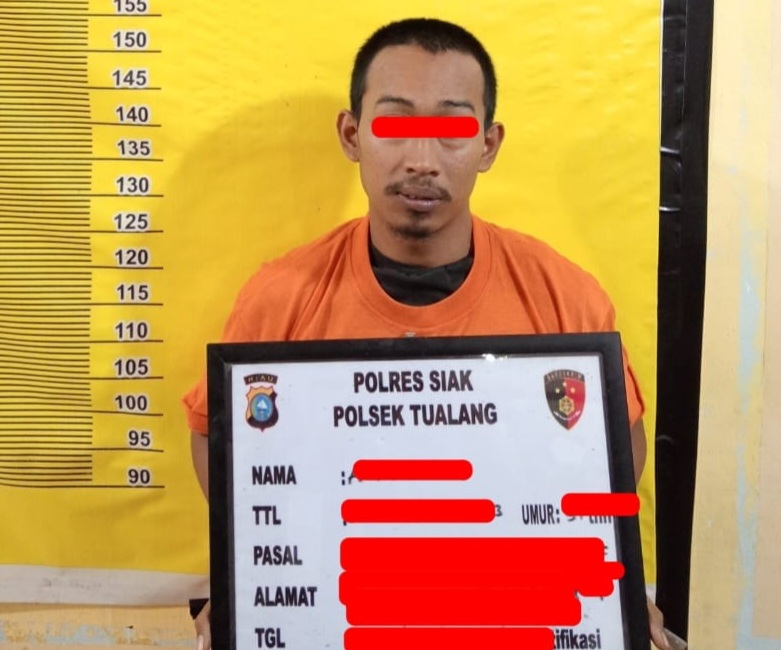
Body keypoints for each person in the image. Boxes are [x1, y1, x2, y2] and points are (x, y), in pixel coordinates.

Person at [183, 17, 669, 650]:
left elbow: (617, 443)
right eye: (395, 125)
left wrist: (602, 584)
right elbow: (215, 434)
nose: (421, 159)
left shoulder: (564, 297)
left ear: (488, 145)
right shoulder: (279, 299)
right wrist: (255, 569)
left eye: (452, 130)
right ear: (352, 135)